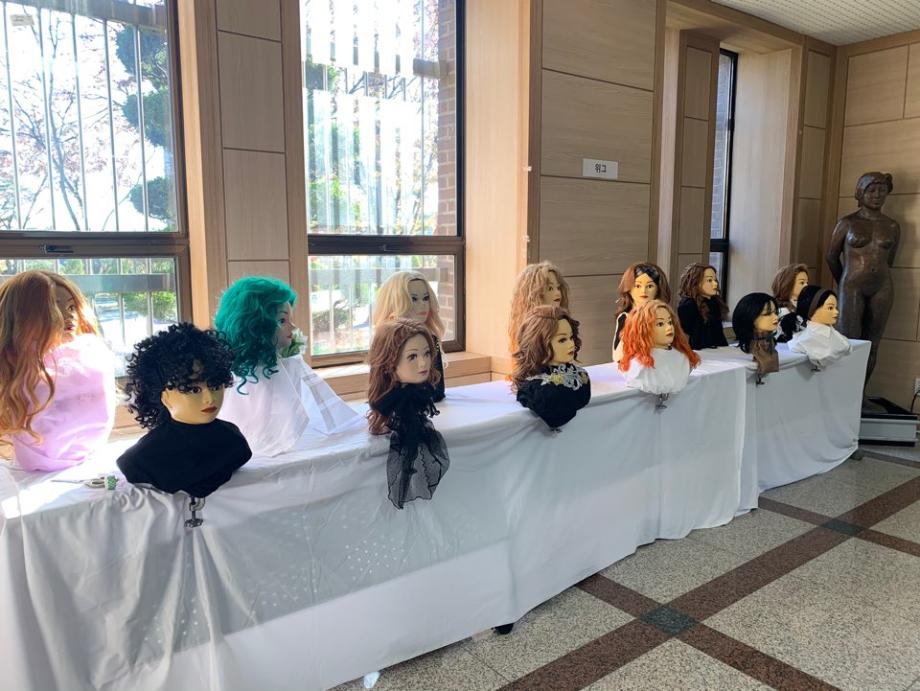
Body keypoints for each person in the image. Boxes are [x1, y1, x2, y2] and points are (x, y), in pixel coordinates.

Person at [215, 276, 360, 456]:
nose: (293, 326)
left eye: (290, 319)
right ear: (257, 325)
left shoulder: (287, 362)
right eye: (282, 321)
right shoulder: (238, 376)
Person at [117, 323, 252, 497]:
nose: (209, 398)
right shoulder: (142, 459)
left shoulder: (233, 441)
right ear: (164, 396)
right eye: (194, 390)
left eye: (215, 386)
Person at [0, 270, 115, 472]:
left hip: (87, 457)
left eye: (71, 307)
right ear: (23, 318)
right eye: (53, 309)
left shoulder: (90, 355)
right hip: (35, 465)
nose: (68, 315)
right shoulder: (17, 368)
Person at [826, 172, 899, 386]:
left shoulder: (893, 226)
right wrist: (844, 283)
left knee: (872, 345)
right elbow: (831, 256)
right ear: (860, 192)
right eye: (871, 190)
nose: (877, 195)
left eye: (882, 190)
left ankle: (860, 393)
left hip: (882, 286)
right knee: (847, 343)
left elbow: (889, 261)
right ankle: (842, 392)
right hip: (851, 287)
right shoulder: (847, 223)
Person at [367, 318, 449, 510]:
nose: (423, 363)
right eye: (412, 356)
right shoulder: (390, 405)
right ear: (389, 361)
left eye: (427, 353)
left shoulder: (421, 396)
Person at [512, 305, 591, 430]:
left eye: (571, 337)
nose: (571, 344)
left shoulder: (581, 377)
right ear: (539, 343)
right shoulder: (537, 389)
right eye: (562, 340)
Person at [373, 271, 448, 401]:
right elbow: (382, 389)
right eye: (413, 299)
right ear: (396, 302)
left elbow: (438, 391)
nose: (423, 304)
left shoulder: (431, 339)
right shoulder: (387, 341)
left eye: (426, 298)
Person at [612, 262, 671, 362]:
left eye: (650, 286)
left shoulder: (664, 315)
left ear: (658, 289)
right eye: (637, 286)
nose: (643, 291)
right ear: (629, 289)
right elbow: (618, 357)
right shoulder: (625, 317)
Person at [508, 261, 571, 354]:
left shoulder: (561, 321)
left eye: (558, 288)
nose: (558, 293)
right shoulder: (532, 330)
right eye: (550, 288)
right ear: (535, 294)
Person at [677, 263, 728, 349]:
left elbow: (718, 335)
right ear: (696, 282)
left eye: (715, 280)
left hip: (718, 350)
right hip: (699, 351)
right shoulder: (688, 306)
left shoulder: (714, 302)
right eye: (709, 280)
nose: (715, 284)